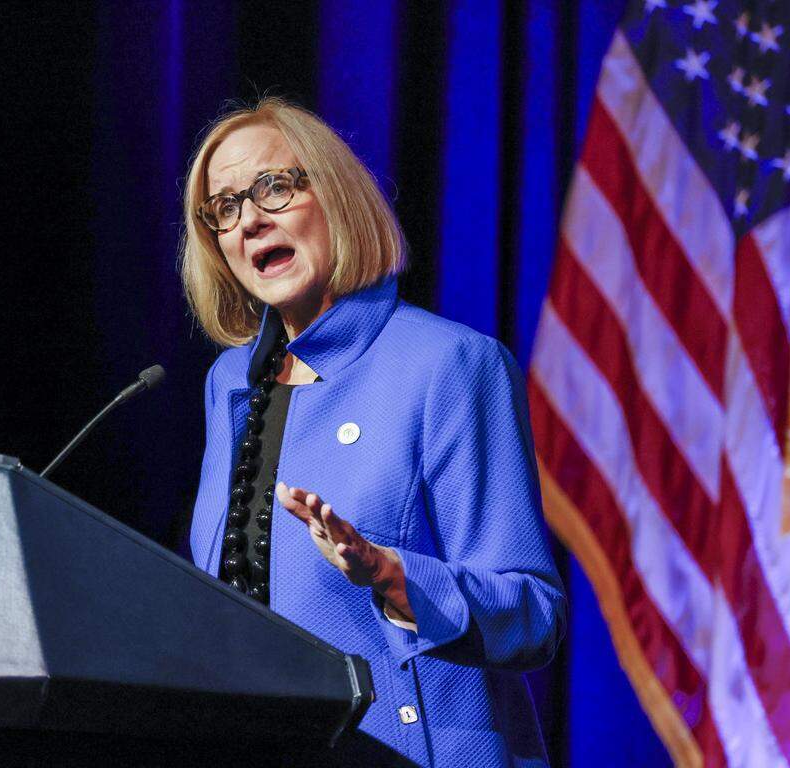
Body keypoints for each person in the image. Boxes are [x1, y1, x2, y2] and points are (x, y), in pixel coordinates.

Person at [180, 97, 567, 767]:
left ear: (335, 195)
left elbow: (532, 614)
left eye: (273, 187)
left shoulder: (449, 364)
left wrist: (390, 576)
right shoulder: (229, 385)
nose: (250, 221)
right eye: (225, 208)